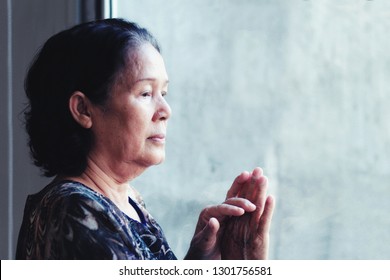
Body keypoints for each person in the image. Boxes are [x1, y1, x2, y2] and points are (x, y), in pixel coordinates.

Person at [16, 18, 275, 260]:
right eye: (145, 93)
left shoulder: (127, 201)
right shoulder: (75, 212)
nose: (165, 111)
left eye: (163, 92)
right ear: (84, 110)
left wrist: (203, 262)